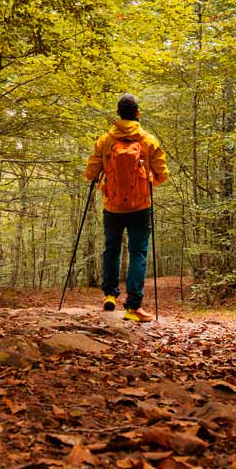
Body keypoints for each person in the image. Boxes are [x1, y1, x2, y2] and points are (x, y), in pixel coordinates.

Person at [84, 94, 168, 322]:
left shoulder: (105, 140)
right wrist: (147, 183)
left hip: (112, 206)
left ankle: (109, 295)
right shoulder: (148, 141)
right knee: (138, 253)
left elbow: (90, 173)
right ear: (137, 113)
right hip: (140, 206)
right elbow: (162, 174)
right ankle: (133, 307)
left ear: (118, 115)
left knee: (111, 249)